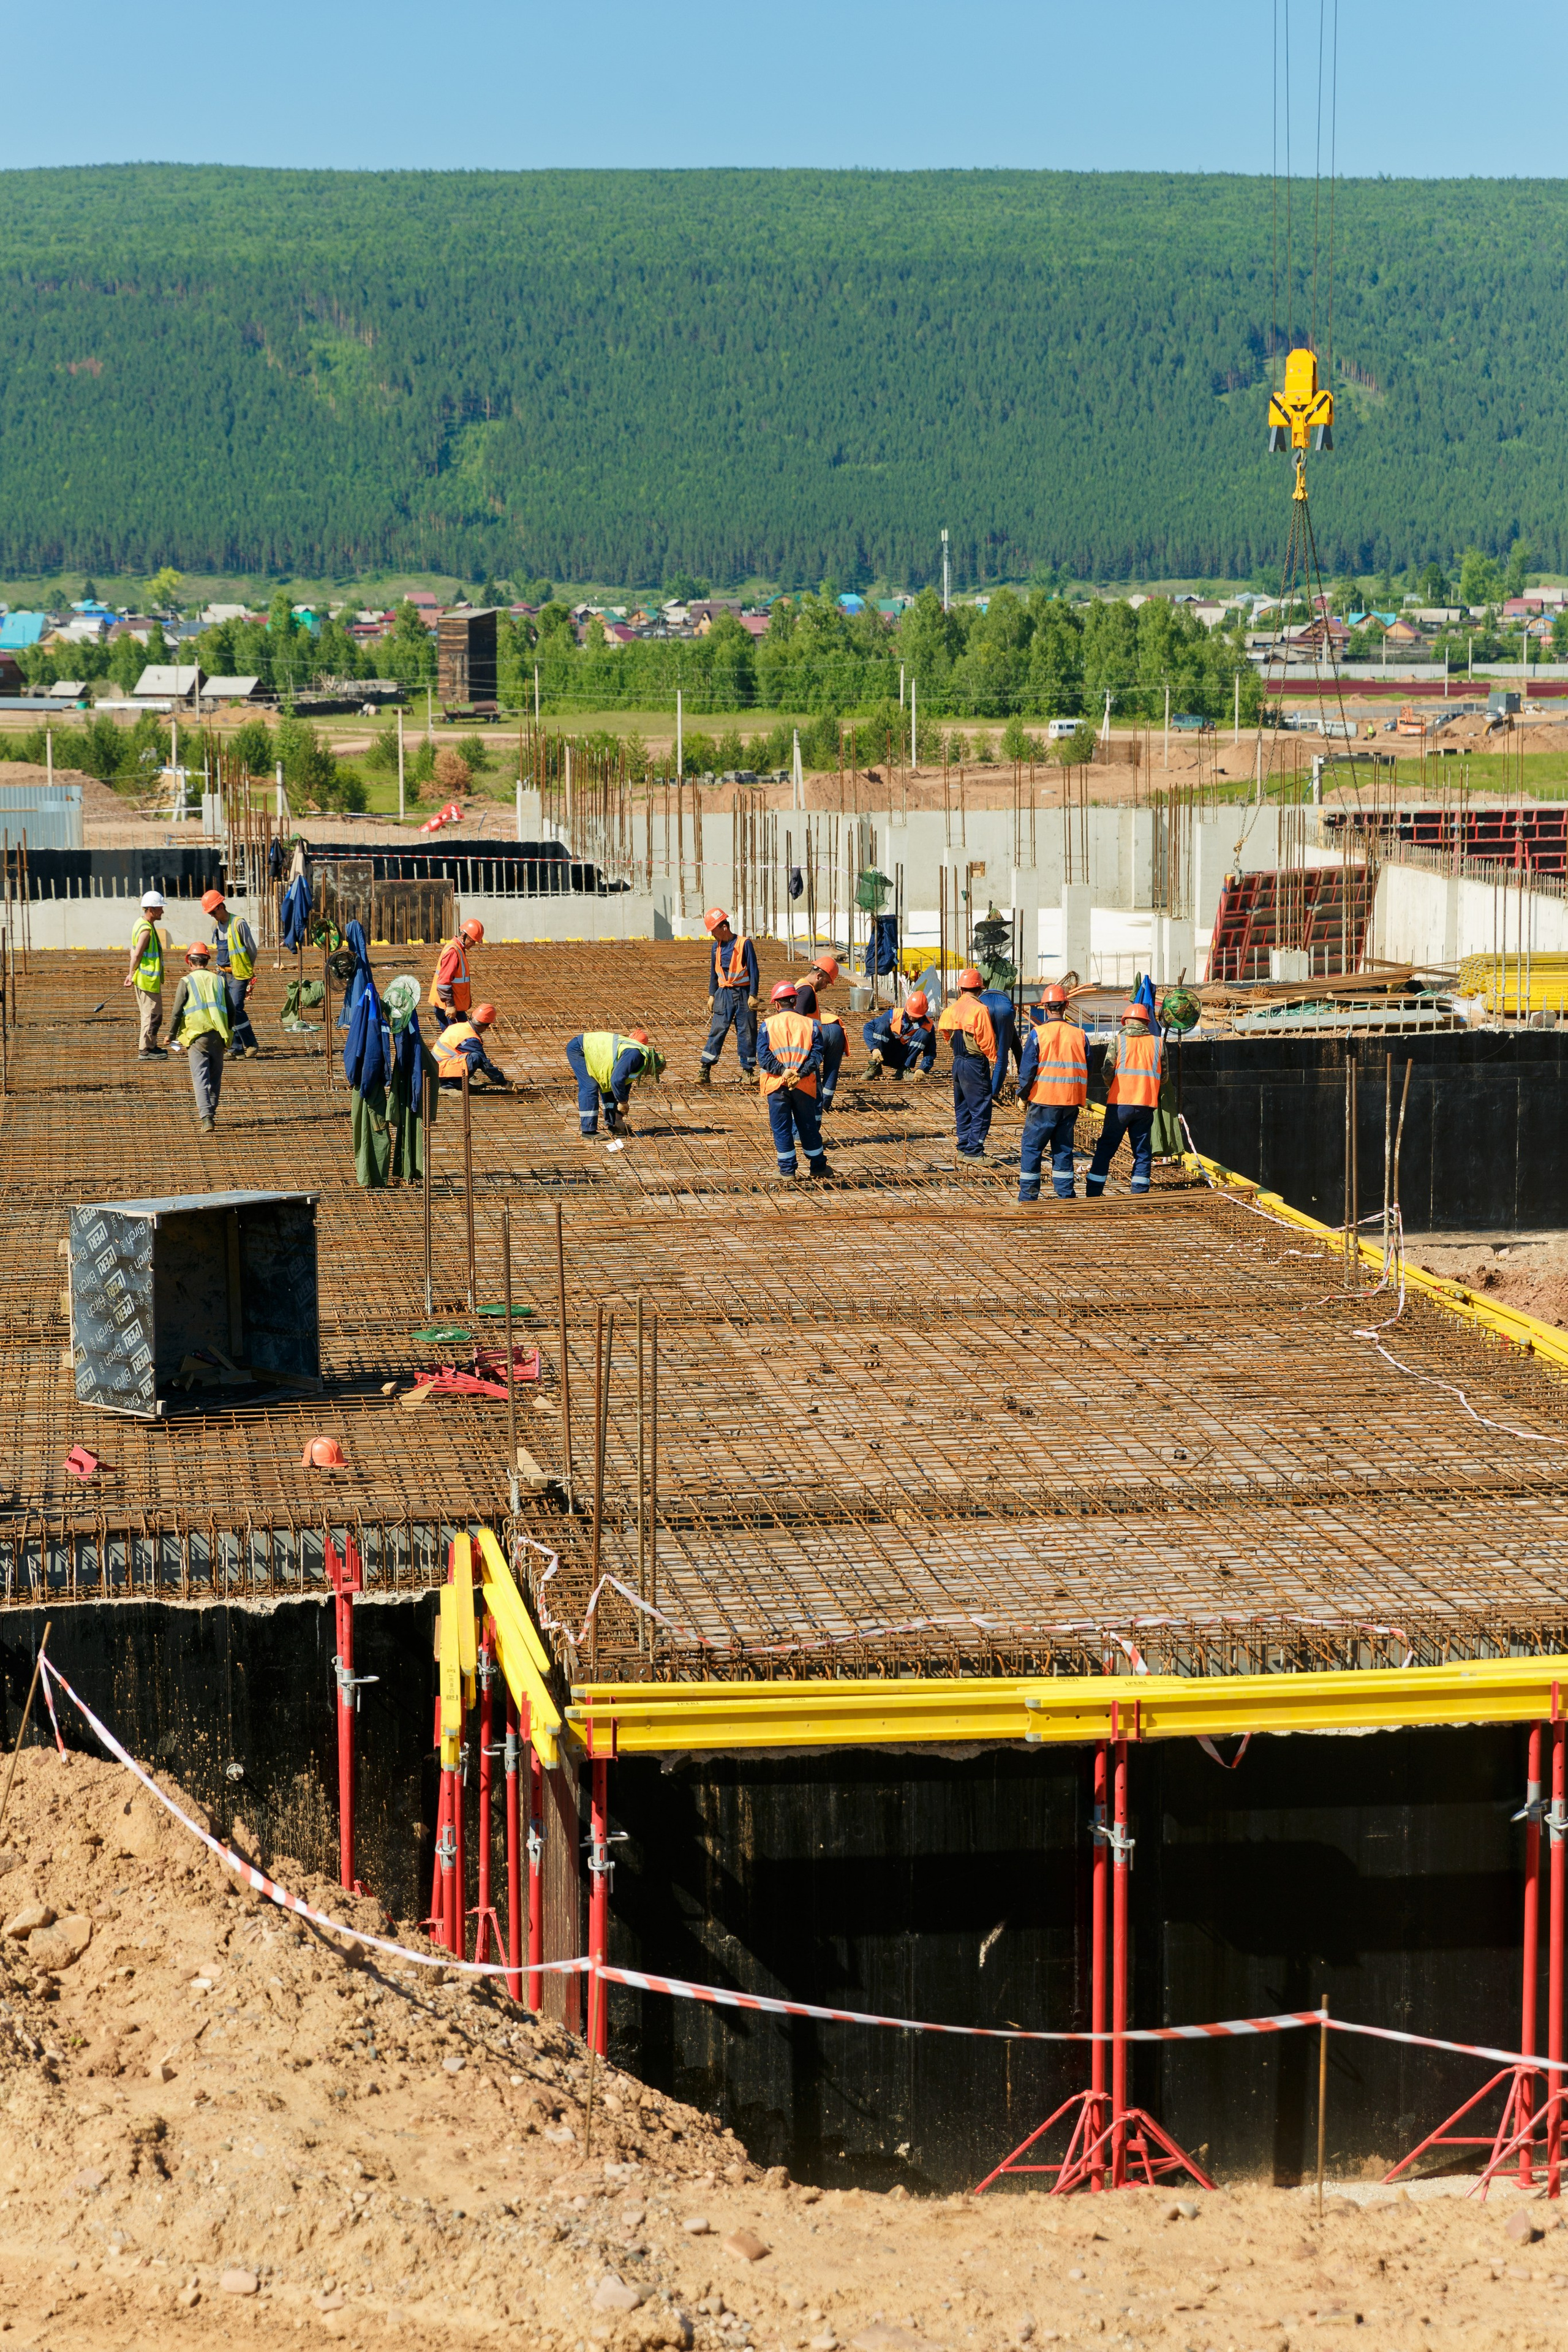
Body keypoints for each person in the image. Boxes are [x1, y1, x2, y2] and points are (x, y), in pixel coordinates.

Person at [1016, 985, 1089, 1203]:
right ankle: (1066, 1196)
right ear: (1066, 1006)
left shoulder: (1038, 1034)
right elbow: (1088, 1066)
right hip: (1070, 1102)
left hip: (1044, 1101)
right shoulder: (1080, 1035)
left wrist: (1023, 1095)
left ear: (1045, 1008)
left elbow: (1027, 1069)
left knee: (1032, 1148)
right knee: (1064, 1149)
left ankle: (1028, 1196)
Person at [1086, 1000, 1163, 1199]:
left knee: (1106, 1148)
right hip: (1146, 1104)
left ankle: (1094, 1193)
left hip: (1120, 1104)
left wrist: (1112, 1086)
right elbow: (1166, 1076)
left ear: (1126, 1022)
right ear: (1146, 1023)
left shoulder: (1119, 1041)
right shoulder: (1157, 1043)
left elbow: (1107, 1070)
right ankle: (1139, 1195)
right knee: (1143, 1151)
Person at [758, 980, 831, 1179]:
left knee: (782, 1129)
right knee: (807, 1126)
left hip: (776, 1086)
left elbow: (764, 1058)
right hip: (804, 1085)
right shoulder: (812, 1025)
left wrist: (783, 1072)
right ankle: (818, 1167)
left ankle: (788, 1171)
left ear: (777, 1004)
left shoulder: (767, 1026)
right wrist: (800, 1073)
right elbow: (817, 1056)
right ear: (795, 1001)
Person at [167, 941, 232, 1133]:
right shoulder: (219, 980)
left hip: (196, 1036)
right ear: (208, 960)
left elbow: (177, 1012)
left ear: (189, 961)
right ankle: (211, 1111)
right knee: (215, 1078)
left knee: (200, 1078)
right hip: (219, 1035)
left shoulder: (186, 982)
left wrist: (171, 1035)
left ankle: (206, 1118)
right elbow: (232, 1009)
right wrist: (230, 1031)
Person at [935, 967, 998, 1160]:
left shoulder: (950, 1010)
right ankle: (974, 1151)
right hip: (974, 1063)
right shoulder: (980, 1010)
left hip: (958, 1063)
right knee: (981, 1108)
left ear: (961, 989)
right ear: (980, 990)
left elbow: (946, 1034)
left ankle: (964, 1146)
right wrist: (993, 1059)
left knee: (962, 1106)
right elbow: (987, 1040)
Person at [565, 1027, 666, 1137]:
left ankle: (612, 1124)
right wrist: (623, 1102)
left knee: (609, 1087)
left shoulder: (639, 1060)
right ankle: (588, 1131)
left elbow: (622, 1087)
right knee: (590, 1086)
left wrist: (619, 1119)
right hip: (580, 1049)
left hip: (594, 1053)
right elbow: (617, 1080)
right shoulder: (635, 1055)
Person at [698, 907, 758, 1083]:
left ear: (724, 927)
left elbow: (754, 971)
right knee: (717, 1030)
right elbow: (713, 973)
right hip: (723, 994)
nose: (712, 935)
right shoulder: (715, 948)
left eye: (713, 930)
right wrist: (711, 995)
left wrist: (753, 994)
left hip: (743, 993)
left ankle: (748, 1072)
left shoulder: (744, 944)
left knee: (747, 1032)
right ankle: (704, 1070)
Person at [200, 886, 260, 1057]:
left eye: (213, 911)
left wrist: (248, 972)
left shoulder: (238, 923)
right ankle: (236, 1049)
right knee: (224, 1009)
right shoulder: (215, 926)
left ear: (221, 906)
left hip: (238, 974)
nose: (212, 915)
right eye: (210, 913)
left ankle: (251, 1043)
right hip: (222, 974)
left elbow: (252, 950)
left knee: (236, 1007)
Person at [123, 888, 168, 1059]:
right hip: (147, 980)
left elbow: (132, 951)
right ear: (151, 909)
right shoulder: (146, 930)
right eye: (160, 908)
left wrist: (131, 974)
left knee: (150, 1014)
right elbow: (136, 954)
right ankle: (146, 1050)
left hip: (145, 978)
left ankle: (150, 1046)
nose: (162, 911)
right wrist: (130, 974)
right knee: (153, 1015)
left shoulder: (141, 924)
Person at [800, 952, 846, 1111]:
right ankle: (809, 1135)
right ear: (819, 976)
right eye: (826, 982)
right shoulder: (807, 992)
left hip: (808, 1048)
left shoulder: (800, 987)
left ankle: (809, 1134)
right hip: (806, 1050)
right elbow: (796, 1022)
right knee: (814, 1094)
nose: (826, 986)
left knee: (813, 1093)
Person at [862, 990, 937, 1081]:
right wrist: (874, 1049)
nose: (913, 1017)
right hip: (884, 1055)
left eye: (916, 1016)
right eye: (911, 1015)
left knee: (923, 1034)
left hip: (904, 1058)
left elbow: (931, 1052)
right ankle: (876, 1066)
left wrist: (923, 1068)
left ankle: (904, 1069)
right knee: (882, 1026)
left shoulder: (928, 1026)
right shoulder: (893, 1015)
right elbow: (868, 1027)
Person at [435, 1004, 509, 1091]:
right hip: (440, 1071)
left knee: (471, 1057)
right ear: (486, 1026)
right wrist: (504, 1083)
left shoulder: (459, 1026)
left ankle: (458, 1084)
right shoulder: (471, 1039)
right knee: (475, 1059)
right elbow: (485, 1064)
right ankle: (448, 1086)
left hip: (435, 1066)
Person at [428, 918, 485, 1028]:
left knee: (455, 1040)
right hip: (450, 1008)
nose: (474, 944)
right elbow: (443, 983)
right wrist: (450, 1006)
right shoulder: (454, 951)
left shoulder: (458, 949)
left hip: (454, 1006)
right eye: (472, 941)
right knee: (458, 1041)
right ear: (463, 936)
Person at [978, 982, 1022, 1104]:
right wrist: (1022, 1075)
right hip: (1005, 1009)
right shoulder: (1006, 1000)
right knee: (1002, 1056)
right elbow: (1017, 1048)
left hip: (984, 1005)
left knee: (978, 1052)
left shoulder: (979, 998)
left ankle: (982, 1091)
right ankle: (993, 1093)